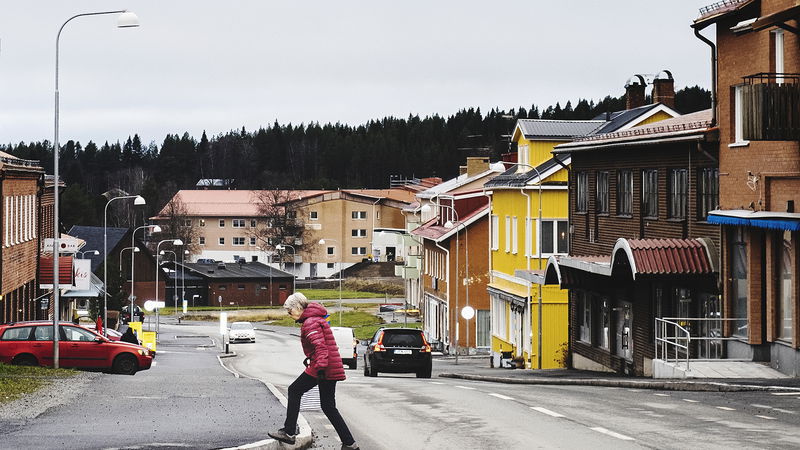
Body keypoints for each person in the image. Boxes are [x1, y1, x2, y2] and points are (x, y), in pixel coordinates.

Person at [268, 293, 359, 450]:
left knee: (294, 390)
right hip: (328, 366)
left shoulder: (310, 322)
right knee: (328, 406)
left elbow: (320, 347)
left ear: (297, 308)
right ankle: (350, 444)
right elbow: (321, 346)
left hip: (323, 367)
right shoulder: (315, 319)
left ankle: (289, 432)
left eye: (290, 311)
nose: (289, 315)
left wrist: (320, 368)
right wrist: (312, 359)